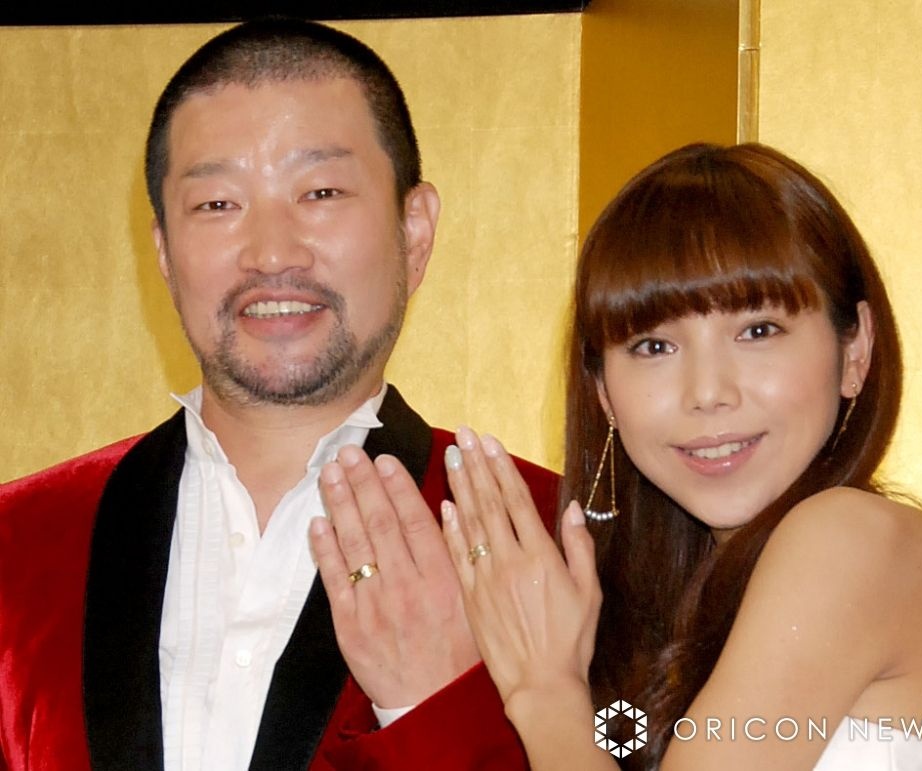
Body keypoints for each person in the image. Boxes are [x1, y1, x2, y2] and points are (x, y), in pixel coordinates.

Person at [0, 18, 558, 771]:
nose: (270, 253)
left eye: (320, 192)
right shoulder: (18, 548)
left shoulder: (561, 546)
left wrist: (434, 717)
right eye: (217, 205)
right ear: (162, 250)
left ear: (415, 230)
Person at [427, 143, 922, 769]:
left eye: (757, 331)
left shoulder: (853, 541)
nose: (707, 393)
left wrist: (542, 693)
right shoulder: (661, 625)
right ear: (603, 390)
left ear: (856, 349)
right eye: (654, 346)